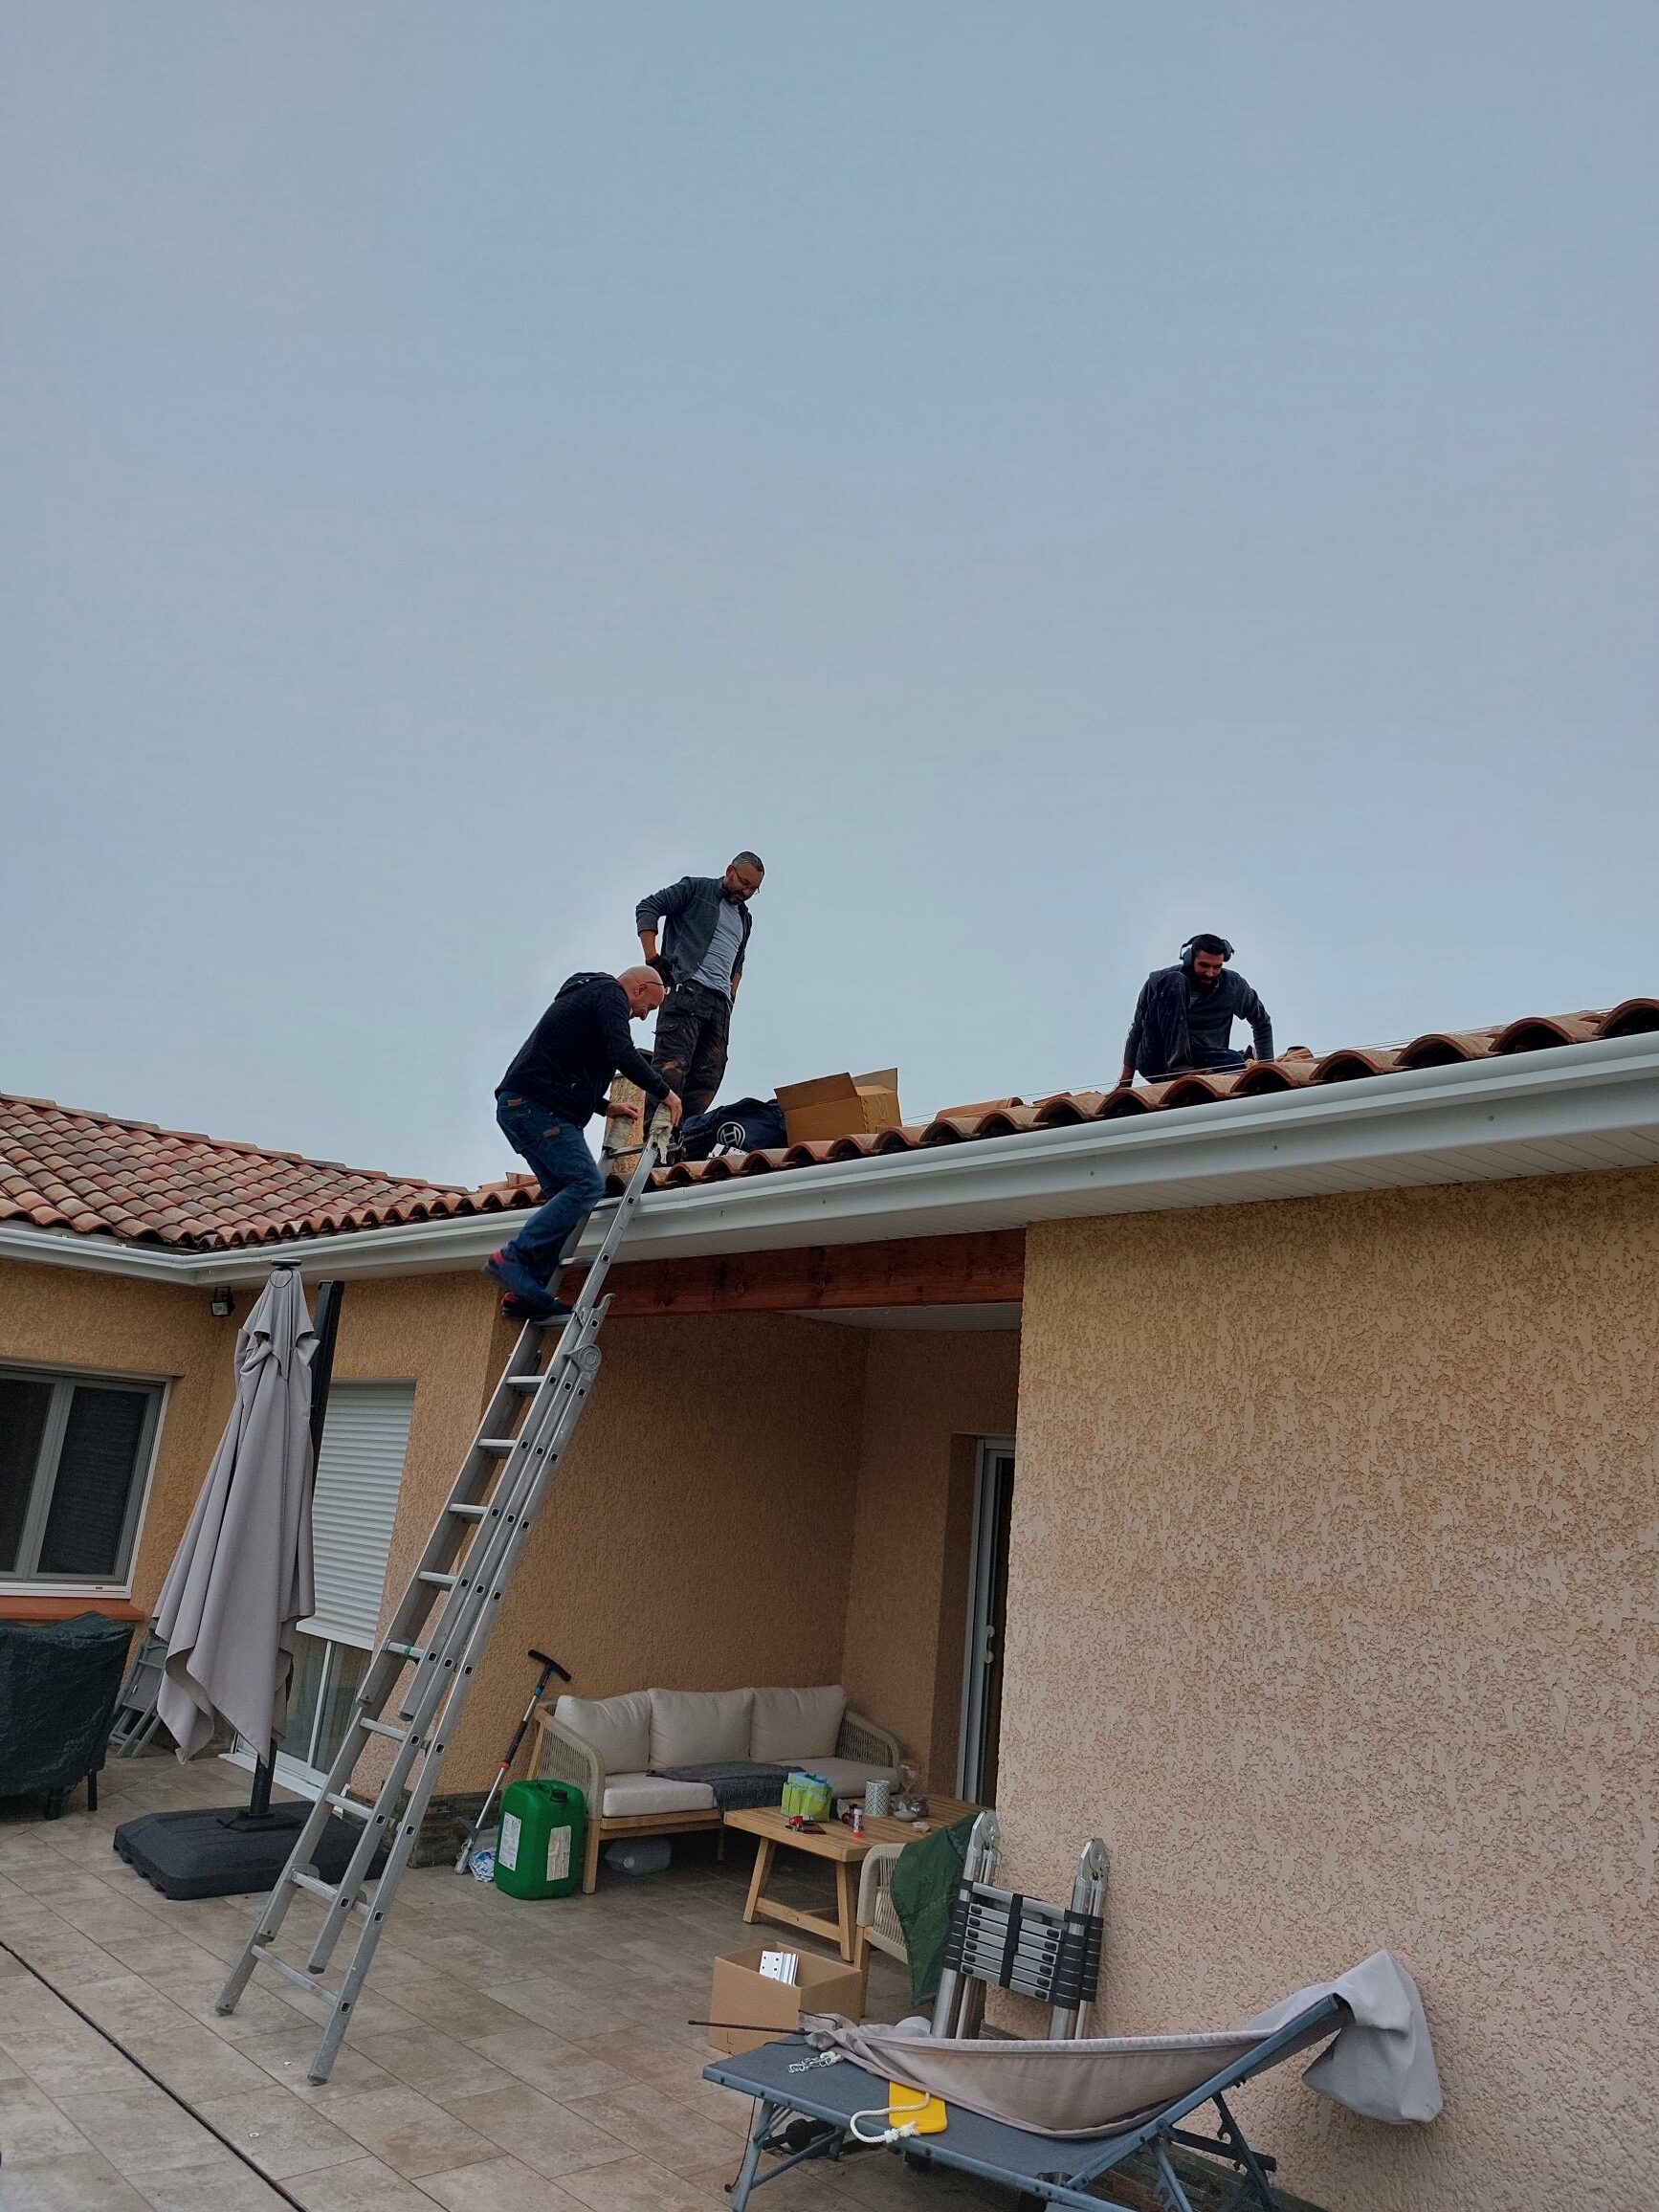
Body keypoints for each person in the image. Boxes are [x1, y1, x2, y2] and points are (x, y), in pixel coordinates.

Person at [485, 967, 683, 1321]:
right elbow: (623, 1053)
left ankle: (527, 1293)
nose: (642, 1015)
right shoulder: (609, 994)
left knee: (567, 1196)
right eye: (648, 1007)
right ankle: (511, 1258)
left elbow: (564, 1063)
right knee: (586, 1184)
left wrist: (606, 1106)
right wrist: (665, 1093)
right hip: (537, 1108)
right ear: (639, 989)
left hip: (524, 1105)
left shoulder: (588, 998)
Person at [635, 852, 763, 1119]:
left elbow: (738, 961)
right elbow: (648, 907)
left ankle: (682, 1136)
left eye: (754, 888)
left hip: (719, 1004)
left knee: (709, 1074)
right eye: (744, 883)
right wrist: (652, 959)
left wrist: (732, 994)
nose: (747, 891)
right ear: (730, 870)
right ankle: (656, 1138)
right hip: (687, 991)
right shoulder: (696, 889)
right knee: (672, 1068)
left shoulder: (744, 918)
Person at [1118, 934, 1275, 1086]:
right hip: (1157, 1060)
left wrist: (1266, 1071)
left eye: (1217, 967)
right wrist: (1125, 1082)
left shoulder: (1233, 986)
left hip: (1199, 1060)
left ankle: (1192, 1072)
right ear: (1189, 960)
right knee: (1174, 981)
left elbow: (1261, 1022)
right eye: (1204, 965)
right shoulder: (1158, 981)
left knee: (1236, 1062)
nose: (1210, 973)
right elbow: (1137, 1030)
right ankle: (1180, 1069)